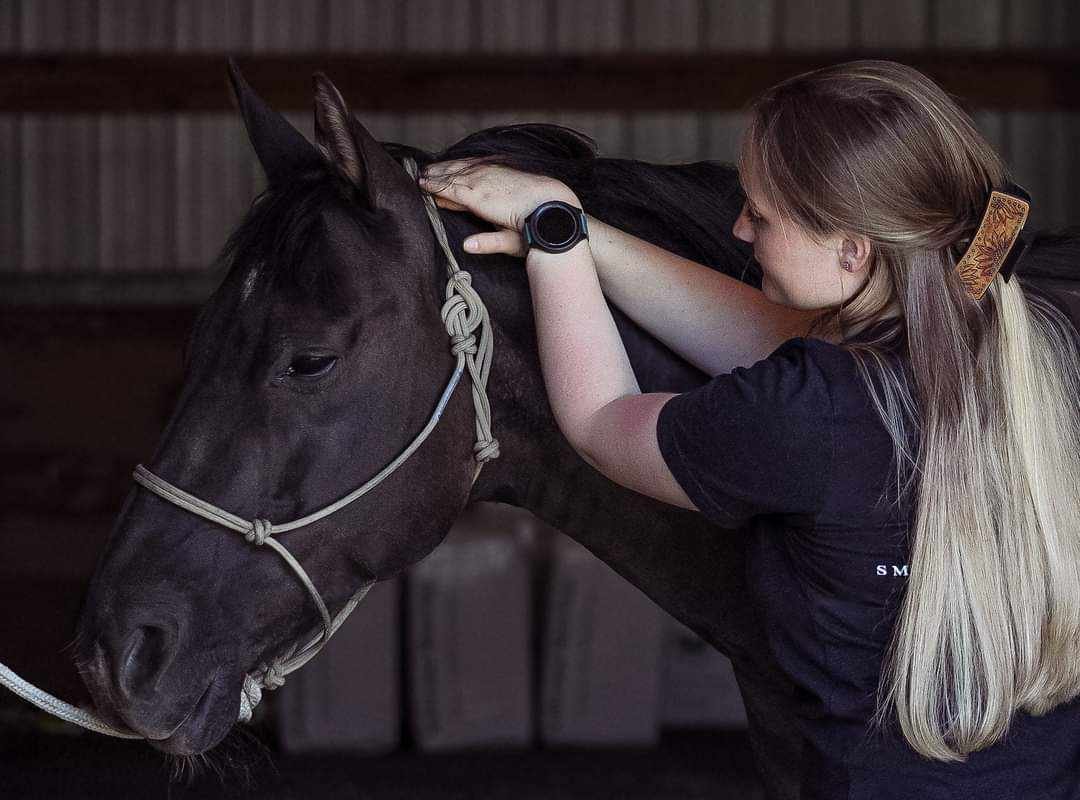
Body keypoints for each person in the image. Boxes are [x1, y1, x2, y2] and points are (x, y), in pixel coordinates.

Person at [418, 60, 1080, 799]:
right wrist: (584, 234)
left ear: (854, 252)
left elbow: (603, 423)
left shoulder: (805, 414)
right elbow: (785, 343)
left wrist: (555, 241)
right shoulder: (1018, 336)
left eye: (761, 216)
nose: (740, 227)